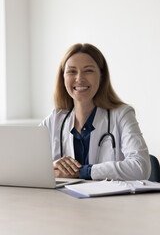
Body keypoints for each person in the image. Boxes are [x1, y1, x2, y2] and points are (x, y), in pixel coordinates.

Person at [41, 43, 151, 180]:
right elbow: (27, 165)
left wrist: (82, 172)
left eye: (88, 70)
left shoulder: (122, 115)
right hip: (65, 201)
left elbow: (141, 168)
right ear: (63, 77)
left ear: (102, 76)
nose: (79, 78)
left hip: (111, 201)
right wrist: (52, 166)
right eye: (72, 71)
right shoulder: (55, 119)